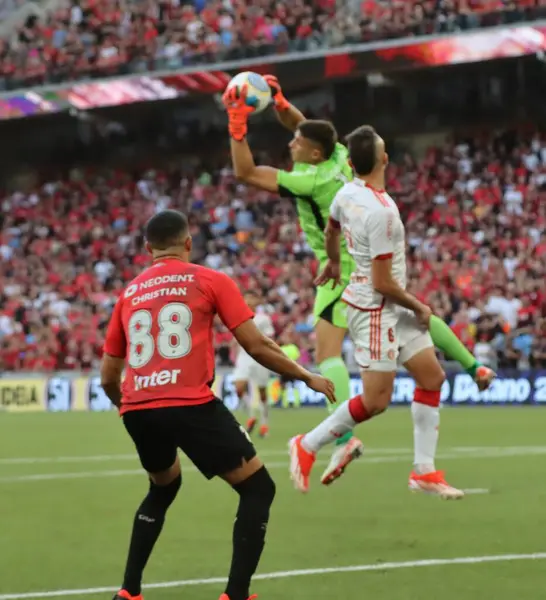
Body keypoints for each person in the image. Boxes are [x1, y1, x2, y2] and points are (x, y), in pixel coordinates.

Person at [222, 79, 495, 488]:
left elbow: (245, 171)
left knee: (334, 354)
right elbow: (309, 130)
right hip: (361, 268)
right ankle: (461, 388)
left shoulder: (311, 182)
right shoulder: (342, 158)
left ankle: (337, 438)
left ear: (315, 153)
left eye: (297, 143)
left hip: (354, 279)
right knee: (419, 343)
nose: (290, 143)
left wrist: (238, 125)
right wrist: (280, 103)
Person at [100, 210, 336, 600]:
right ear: (189, 243)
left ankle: (129, 590)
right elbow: (255, 344)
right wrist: (306, 375)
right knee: (258, 489)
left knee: (163, 487)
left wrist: (127, 408)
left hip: (138, 407)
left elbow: (109, 376)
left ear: (147, 249)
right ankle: (236, 594)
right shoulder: (210, 280)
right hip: (190, 404)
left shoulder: (128, 294)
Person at [289, 125, 473, 498]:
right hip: (376, 308)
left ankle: (424, 472)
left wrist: (335, 263)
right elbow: (383, 283)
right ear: (384, 159)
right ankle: (306, 445)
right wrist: (420, 306)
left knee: (431, 377)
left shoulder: (346, 193)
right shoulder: (382, 212)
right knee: (375, 401)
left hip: (384, 302)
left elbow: (330, 230)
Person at [233, 290, 274, 437]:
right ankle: (252, 415)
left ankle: (264, 424)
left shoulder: (263, 319)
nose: (249, 301)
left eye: (252, 299)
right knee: (238, 388)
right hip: (244, 356)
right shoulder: (237, 316)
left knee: (262, 392)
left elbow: (269, 337)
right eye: (246, 299)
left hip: (259, 356)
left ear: (257, 302)